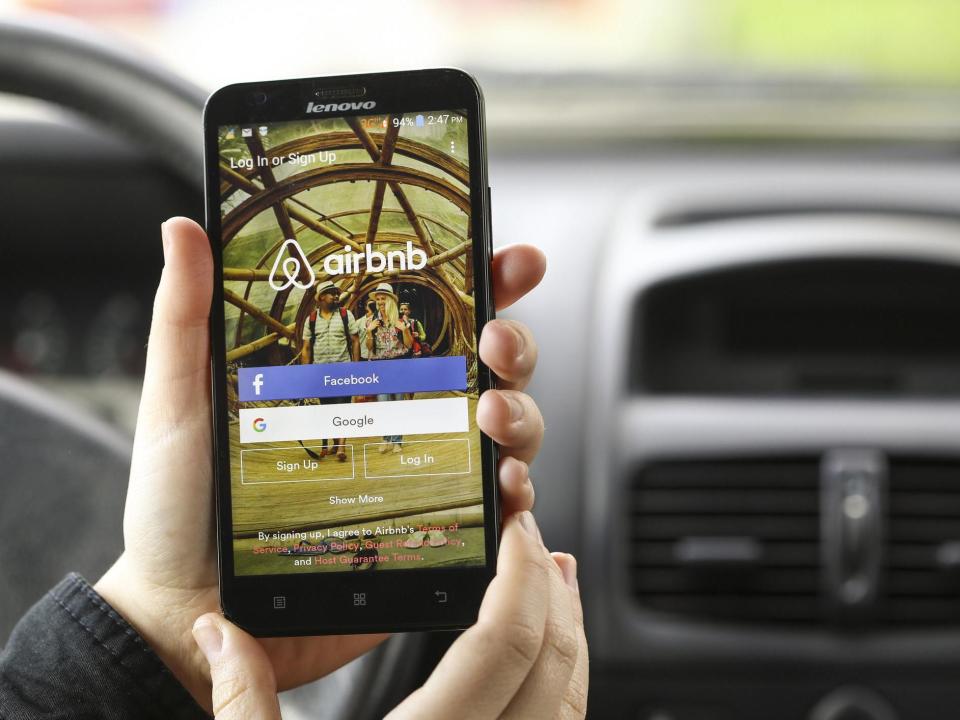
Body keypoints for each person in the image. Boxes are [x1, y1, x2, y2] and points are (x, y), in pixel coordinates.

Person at [0, 218, 586, 720]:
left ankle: (381, 437)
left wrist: (157, 627)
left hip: (355, 376)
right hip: (322, 376)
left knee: (387, 413)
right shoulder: (315, 323)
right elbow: (314, 341)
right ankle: (345, 445)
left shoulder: (361, 321)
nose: (332, 303)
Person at [302, 280, 359, 461]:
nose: (336, 295)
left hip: (343, 369)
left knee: (342, 408)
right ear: (321, 298)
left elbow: (355, 340)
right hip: (321, 373)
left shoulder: (345, 315)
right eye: (331, 293)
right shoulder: (311, 319)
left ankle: (341, 447)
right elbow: (306, 348)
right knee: (327, 410)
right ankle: (335, 443)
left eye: (336, 292)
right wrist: (306, 374)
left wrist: (355, 368)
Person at [366, 282, 412, 453]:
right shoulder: (371, 321)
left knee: (398, 403)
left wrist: (405, 331)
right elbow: (370, 348)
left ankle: (397, 440)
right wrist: (369, 332)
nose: (380, 302)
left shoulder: (400, 321)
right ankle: (386, 438)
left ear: (391, 301)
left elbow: (408, 345)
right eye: (378, 299)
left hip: (398, 365)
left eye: (383, 299)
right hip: (379, 367)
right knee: (383, 403)